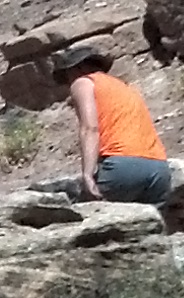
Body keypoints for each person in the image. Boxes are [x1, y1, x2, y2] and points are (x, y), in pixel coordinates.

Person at [61, 45, 173, 204]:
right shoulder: (125, 87)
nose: (69, 82)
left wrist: (87, 174)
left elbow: (90, 128)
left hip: (123, 166)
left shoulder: (84, 82)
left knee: (81, 211)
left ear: (77, 69)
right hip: (159, 168)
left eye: (67, 76)